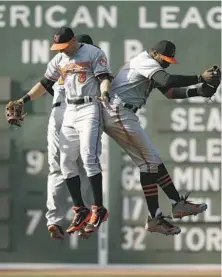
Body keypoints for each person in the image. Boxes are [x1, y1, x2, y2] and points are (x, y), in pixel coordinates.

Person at [101, 40, 221, 235]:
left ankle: (163, 212)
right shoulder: (144, 61)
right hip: (117, 112)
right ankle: (173, 206)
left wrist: (199, 90)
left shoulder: (153, 67)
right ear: (154, 53)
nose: (166, 63)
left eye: (169, 61)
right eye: (164, 59)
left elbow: (171, 92)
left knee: (151, 163)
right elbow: (167, 81)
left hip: (124, 113)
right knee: (151, 162)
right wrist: (200, 77)